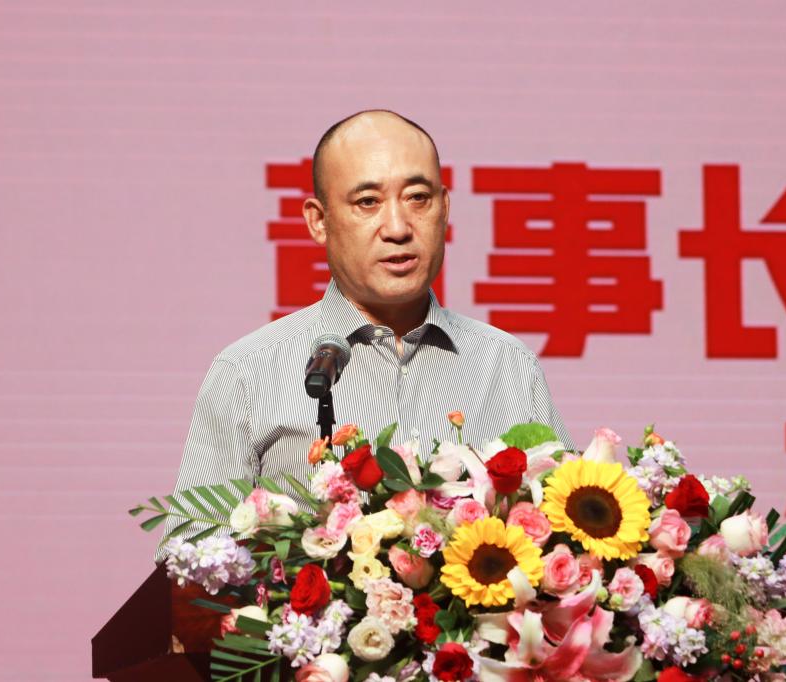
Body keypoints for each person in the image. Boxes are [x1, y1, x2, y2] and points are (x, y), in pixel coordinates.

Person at [158, 110, 569, 556]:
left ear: (445, 208)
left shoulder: (507, 366)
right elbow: (189, 559)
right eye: (368, 202)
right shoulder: (248, 373)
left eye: (418, 198)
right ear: (318, 221)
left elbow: (569, 534)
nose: (398, 228)